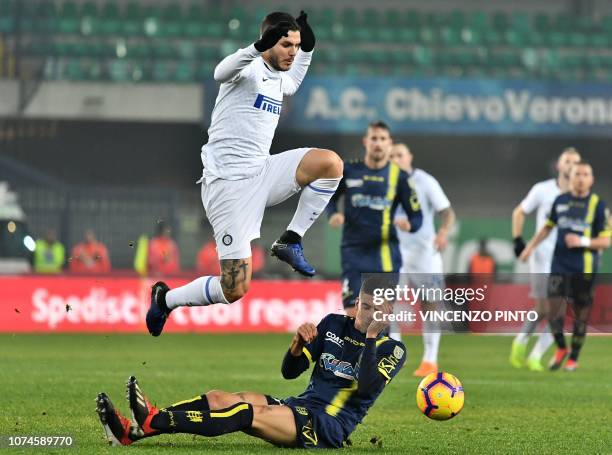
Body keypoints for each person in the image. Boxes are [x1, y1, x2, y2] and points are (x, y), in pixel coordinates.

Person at [146, 11, 343, 337]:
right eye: (286, 44)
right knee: (235, 288)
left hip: (262, 171)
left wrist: (308, 48)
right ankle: (166, 300)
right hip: (228, 186)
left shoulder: (282, 74)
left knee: (331, 164)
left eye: (295, 45)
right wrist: (255, 48)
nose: (292, 52)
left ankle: (291, 239)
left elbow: (293, 82)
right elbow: (220, 71)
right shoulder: (248, 68)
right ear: (267, 42)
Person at [96, 278, 406, 449]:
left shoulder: (392, 349)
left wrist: (370, 338)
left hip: (326, 426)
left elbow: (366, 388)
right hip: (300, 404)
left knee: (246, 413)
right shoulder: (334, 324)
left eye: (375, 308)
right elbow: (289, 372)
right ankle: (133, 430)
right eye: (364, 306)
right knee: (220, 398)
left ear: (389, 310)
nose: (367, 314)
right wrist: (296, 346)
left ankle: (151, 420)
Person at [520, 161, 610, 371]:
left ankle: (574, 357)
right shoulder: (559, 201)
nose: (580, 178)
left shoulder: (598, 205)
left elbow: (605, 241)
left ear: (592, 179)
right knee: (553, 311)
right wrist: (530, 247)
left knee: (580, 315)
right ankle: (561, 347)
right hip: (559, 265)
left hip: (584, 268)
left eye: (585, 174)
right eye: (577, 174)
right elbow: (547, 228)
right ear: (571, 178)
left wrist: (583, 242)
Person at [327, 122, 422, 319]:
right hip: (353, 253)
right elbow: (329, 197)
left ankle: (378, 351)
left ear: (390, 143)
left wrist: (410, 225)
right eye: (374, 138)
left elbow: (417, 215)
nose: (378, 143)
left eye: (382, 139)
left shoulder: (400, 177)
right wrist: (333, 213)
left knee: (379, 317)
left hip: (384, 256)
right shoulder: (349, 170)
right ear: (365, 142)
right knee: (354, 315)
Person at [509, 148, 581, 371]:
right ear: (559, 166)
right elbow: (519, 212)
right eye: (567, 161)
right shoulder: (542, 190)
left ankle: (535, 355)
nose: (571, 165)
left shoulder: (581, 197)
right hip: (542, 256)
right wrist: (519, 241)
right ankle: (520, 342)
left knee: (559, 311)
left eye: (575, 162)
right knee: (544, 309)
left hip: (567, 259)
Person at [390, 143, 455, 377]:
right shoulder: (384, 182)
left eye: (400, 155)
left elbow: (447, 212)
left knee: (431, 305)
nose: (395, 159)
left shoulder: (425, 181)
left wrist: (443, 232)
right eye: (392, 156)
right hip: (394, 251)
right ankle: (393, 352)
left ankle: (430, 360)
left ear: (410, 157)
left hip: (424, 252)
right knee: (388, 304)